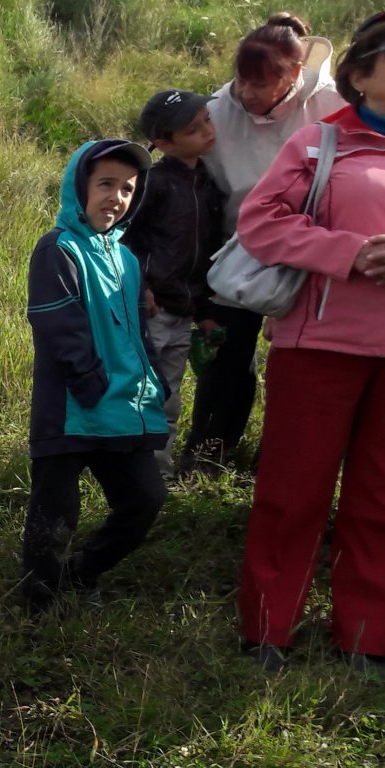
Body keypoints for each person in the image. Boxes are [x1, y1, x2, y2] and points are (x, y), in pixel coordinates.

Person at [235, 1, 385, 677]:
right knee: (292, 491)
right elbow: (262, 223)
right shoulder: (318, 143)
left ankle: (365, 638)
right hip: (319, 346)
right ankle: (268, 631)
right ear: (359, 75)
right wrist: (353, 253)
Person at [191, 14, 347, 472]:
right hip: (236, 248)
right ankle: (207, 454)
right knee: (225, 357)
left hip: (310, 251)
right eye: (242, 80)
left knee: (298, 365)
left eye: (261, 83)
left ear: (295, 76)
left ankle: (279, 461)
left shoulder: (331, 105)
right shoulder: (220, 108)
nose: (248, 93)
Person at [20, 139, 168, 615]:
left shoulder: (125, 258)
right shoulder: (57, 249)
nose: (117, 197)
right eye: (105, 184)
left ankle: (80, 573)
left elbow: (138, 333)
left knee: (145, 499)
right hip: (71, 410)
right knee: (55, 513)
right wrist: (91, 385)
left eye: (127, 188)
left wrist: (155, 383)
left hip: (123, 410)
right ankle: (37, 604)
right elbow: (58, 328)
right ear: (79, 186)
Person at [124, 90, 227, 478]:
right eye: (192, 128)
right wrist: (141, 287)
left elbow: (206, 255)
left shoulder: (208, 183)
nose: (206, 131)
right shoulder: (153, 182)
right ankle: (129, 472)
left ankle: (158, 475)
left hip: (185, 313)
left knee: (169, 395)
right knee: (141, 391)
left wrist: (205, 313)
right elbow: (125, 238)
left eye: (206, 119)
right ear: (165, 143)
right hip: (152, 310)